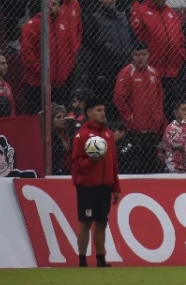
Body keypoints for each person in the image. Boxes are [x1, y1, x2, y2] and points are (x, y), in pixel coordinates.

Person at [71, 97, 119, 267]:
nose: (102, 113)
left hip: (104, 186)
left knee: (101, 223)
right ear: (89, 112)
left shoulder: (108, 134)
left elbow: (113, 163)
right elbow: (75, 164)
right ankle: (82, 260)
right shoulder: (81, 135)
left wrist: (115, 187)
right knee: (85, 222)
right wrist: (92, 160)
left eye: (103, 110)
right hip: (87, 186)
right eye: (98, 110)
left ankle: (101, 259)